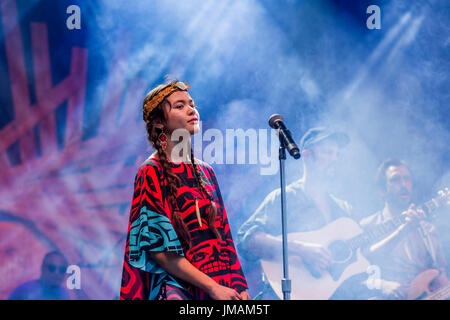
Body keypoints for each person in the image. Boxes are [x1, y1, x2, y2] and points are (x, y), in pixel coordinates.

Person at [119, 80, 249, 300]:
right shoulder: (150, 172)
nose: (191, 110)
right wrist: (212, 287)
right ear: (159, 123)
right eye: (179, 106)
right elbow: (159, 251)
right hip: (176, 290)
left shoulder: (206, 171)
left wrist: (240, 285)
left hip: (219, 287)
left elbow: (225, 237)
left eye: (191, 104)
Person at [237, 127, 353, 299]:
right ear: (307, 155)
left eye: (337, 154)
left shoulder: (342, 208)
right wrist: (302, 249)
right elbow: (247, 239)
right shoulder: (285, 197)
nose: (334, 159)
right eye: (328, 152)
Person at [357, 158, 449, 299]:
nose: (403, 185)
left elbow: (440, 275)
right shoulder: (368, 225)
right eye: (395, 180)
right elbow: (356, 276)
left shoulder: (428, 230)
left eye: (407, 179)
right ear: (382, 190)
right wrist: (382, 285)